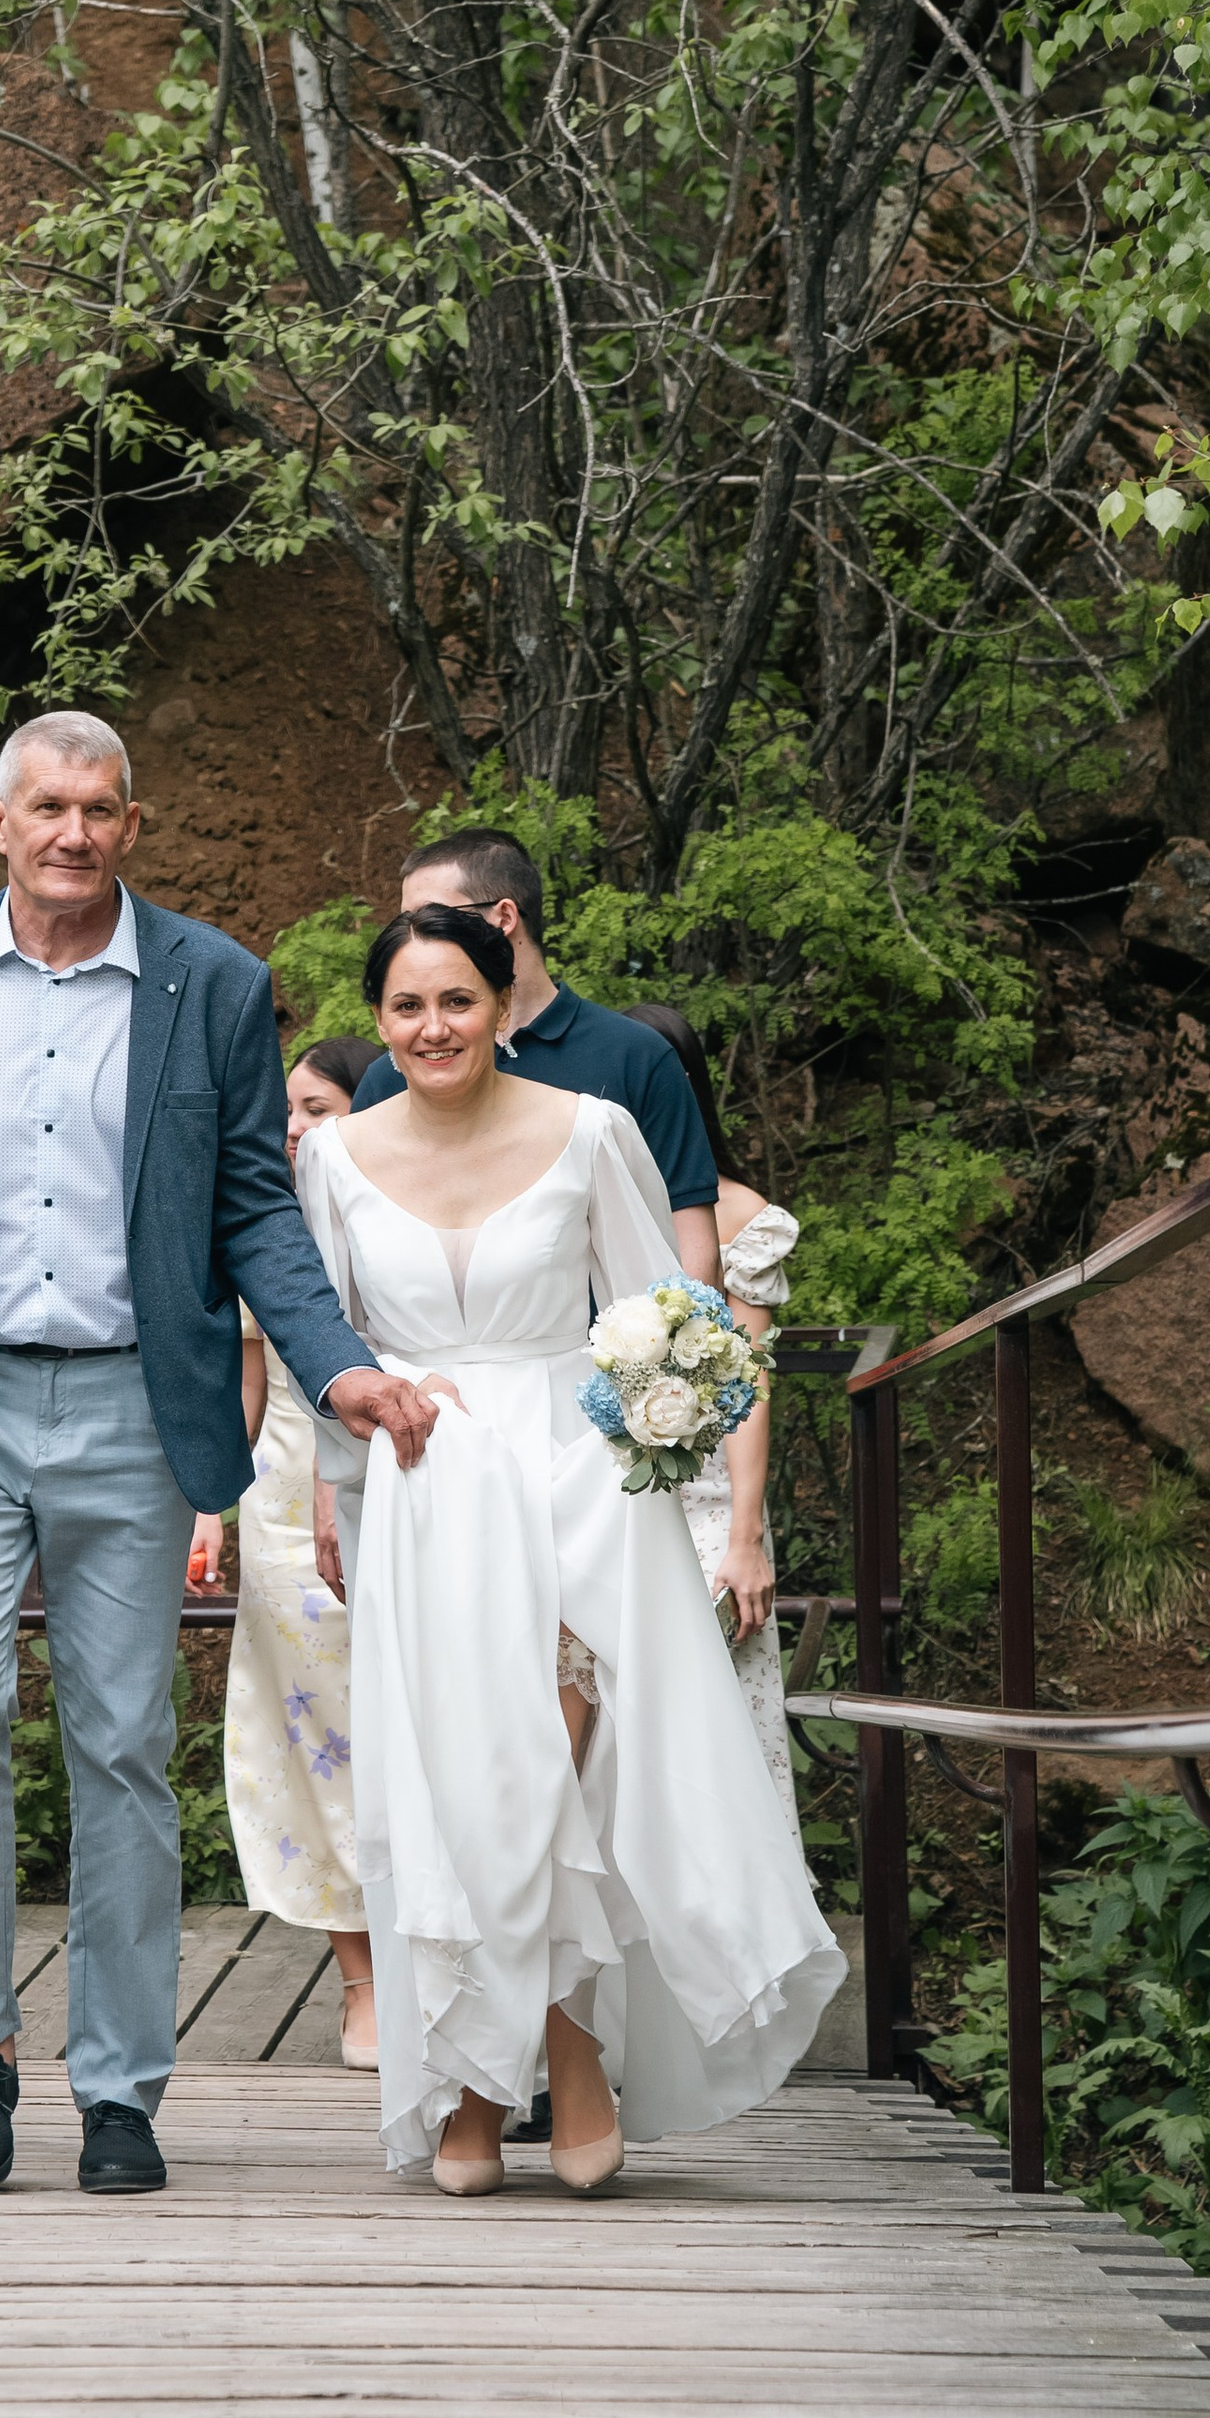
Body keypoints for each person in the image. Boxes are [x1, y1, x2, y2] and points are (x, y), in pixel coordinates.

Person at [0, 712, 442, 2200]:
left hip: (134, 1409)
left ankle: (120, 2089)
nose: (74, 832)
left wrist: (340, 1364)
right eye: (48, 809)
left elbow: (251, 1212)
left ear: (131, 827)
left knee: (118, 1744)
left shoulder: (214, 985)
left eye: (100, 808)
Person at [297, 902, 842, 2199]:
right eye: (407, 1007)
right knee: (454, 1781)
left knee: (548, 1767)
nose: (434, 1028)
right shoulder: (334, 1158)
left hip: (571, 1485)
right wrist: (332, 1494)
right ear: (381, 1022)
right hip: (421, 1491)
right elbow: (325, 1343)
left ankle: (522, 2074)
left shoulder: (591, 1131)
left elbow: (667, 1318)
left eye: (458, 1001)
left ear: (502, 1006)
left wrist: (663, 1442)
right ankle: (524, 2057)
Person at [194, 1034, 382, 2066]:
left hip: (391, 1477)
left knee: (407, 1730)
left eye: (319, 1107)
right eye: (288, 1111)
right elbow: (246, 1374)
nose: (297, 1129)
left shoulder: (408, 1197)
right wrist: (208, 1507)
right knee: (312, 1738)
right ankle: (359, 1983)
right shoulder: (264, 1214)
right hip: (276, 1501)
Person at [351, 827, 721, 1289]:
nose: (413, 937)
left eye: (430, 915)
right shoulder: (391, 1075)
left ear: (504, 916)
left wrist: (674, 1353)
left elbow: (693, 1247)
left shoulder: (635, 1055)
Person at [625, 1001, 801, 1825]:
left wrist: (744, 1537)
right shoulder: (581, 1193)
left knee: (713, 1717)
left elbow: (750, 1383)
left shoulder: (739, 1214)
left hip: (702, 1500)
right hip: (601, 1485)